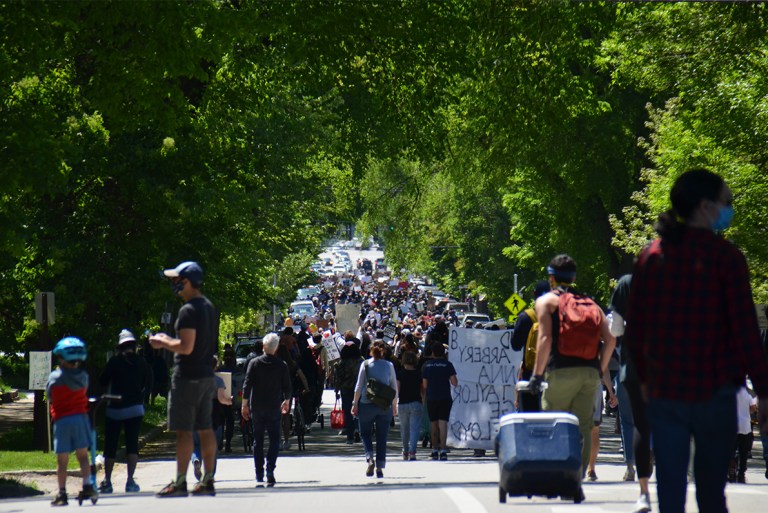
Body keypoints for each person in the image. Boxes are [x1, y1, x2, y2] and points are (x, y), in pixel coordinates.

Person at [625, 169, 768, 513]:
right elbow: (745, 331)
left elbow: (636, 329)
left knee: (670, 487)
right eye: (726, 202)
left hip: (665, 390)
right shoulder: (727, 259)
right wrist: (763, 390)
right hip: (714, 390)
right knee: (711, 489)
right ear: (705, 207)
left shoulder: (651, 257)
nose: (728, 209)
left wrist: (643, 379)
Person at [530, 254, 616, 502]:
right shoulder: (590, 304)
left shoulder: (546, 302)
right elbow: (610, 339)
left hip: (560, 371)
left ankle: (556, 477)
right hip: (589, 373)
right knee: (584, 428)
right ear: (574, 278)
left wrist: (537, 375)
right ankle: (575, 481)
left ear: (551, 277)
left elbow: (545, 339)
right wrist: (599, 369)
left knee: (553, 424)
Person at [149, 261, 218, 497]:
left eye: (177, 280)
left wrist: (162, 341)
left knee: (184, 431)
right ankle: (208, 479)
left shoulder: (188, 310)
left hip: (187, 377)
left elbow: (186, 346)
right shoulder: (208, 307)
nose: (174, 284)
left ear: (187, 281)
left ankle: (180, 482)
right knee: (206, 428)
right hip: (206, 376)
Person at [610, 274, 654, 512]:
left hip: (635, 365)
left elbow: (615, 328)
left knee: (637, 423)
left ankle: (643, 488)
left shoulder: (626, 283)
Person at [98, 329, 152, 494]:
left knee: (111, 445)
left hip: (115, 408)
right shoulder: (142, 363)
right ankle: (130, 481)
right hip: (135, 408)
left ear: (119, 346)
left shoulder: (114, 361)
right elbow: (148, 383)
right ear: (134, 346)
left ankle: (107, 481)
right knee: (132, 445)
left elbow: (103, 380)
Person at [47, 337, 97, 506]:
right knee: (83, 456)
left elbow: (50, 397)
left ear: (61, 357)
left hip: (62, 421)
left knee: (62, 460)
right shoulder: (83, 377)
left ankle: (62, 493)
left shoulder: (54, 377)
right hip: (80, 419)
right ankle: (87, 484)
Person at [241, 333, 291, 486]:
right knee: (275, 439)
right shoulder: (282, 365)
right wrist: (287, 401)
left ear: (263, 346)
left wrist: (244, 404)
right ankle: (270, 468)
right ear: (276, 349)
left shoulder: (254, 363)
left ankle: (259, 472)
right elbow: (287, 386)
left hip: (257, 407)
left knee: (258, 440)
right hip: (274, 407)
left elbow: (247, 384)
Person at [351, 340, 398, 478]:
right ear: (383, 351)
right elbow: (394, 387)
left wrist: (354, 404)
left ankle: (370, 458)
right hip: (384, 406)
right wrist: (394, 406)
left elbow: (359, 387)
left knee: (365, 433)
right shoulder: (389, 365)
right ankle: (379, 467)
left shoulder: (365, 365)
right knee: (382, 437)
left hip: (366, 404)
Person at [511, 280, 550, 412]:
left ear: (534, 294)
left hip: (530, 374)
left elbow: (515, 345)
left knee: (529, 416)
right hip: (553, 375)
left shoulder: (526, 317)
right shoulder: (559, 317)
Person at [192, 356, 231, 481]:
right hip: (214, 416)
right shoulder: (218, 381)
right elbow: (221, 399)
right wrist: (228, 401)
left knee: (196, 444)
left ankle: (196, 460)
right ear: (216, 366)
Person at [421, 342, 458, 461]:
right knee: (443, 424)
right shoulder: (448, 365)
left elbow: (425, 385)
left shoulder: (427, 365)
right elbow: (454, 382)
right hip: (445, 397)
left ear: (432, 352)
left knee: (433, 424)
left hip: (432, 397)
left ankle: (434, 449)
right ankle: (443, 450)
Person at [333, 341, 363, 444]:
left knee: (348, 413)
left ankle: (350, 437)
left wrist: (336, 390)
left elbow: (338, 378)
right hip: (359, 390)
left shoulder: (342, 363)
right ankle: (358, 430)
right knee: (359, 410)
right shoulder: (361, 361)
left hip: (346, 389)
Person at [397, 350, 424, 460]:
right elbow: (423, 390)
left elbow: (397, 390)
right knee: (415, 429)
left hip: (403, 403)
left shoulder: (400, 373)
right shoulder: (418, 373)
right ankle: (412, 451)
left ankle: (405, 450)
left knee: (404, 429)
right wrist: (424, 400)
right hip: (416, 402)